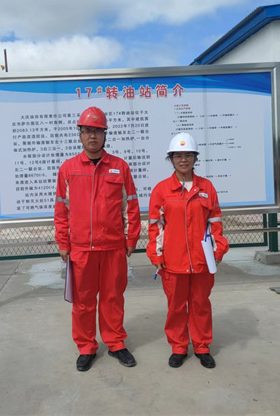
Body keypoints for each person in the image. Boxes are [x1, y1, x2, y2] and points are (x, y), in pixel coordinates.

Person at [54, 106, 141, 372]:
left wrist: (131, 238)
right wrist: (63, 242)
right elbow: (61, 210)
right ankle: (86, 347)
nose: (92, 136)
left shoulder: (119, 167)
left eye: (97, 131)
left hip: (113, 247)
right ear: (80, 134)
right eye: (87, 131)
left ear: (105, 135)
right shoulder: (68, 169)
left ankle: (115, 342)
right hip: (81, 249)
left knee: (113, 298)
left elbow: (131, 206)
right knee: (83, 302)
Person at [147, 132, 229, 369]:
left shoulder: (207, 188)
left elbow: (215, 223)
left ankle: (202, 346)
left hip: (202, 260)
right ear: (171, 159)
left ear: (195, 158)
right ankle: (179, 347)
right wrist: (156, 255)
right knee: (176, 307)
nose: (183, 160)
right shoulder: (162, 190)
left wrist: (218, 250)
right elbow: (155, 227)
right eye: (178, 155)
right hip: (173, 261)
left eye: (188, 155)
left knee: (201, 304)